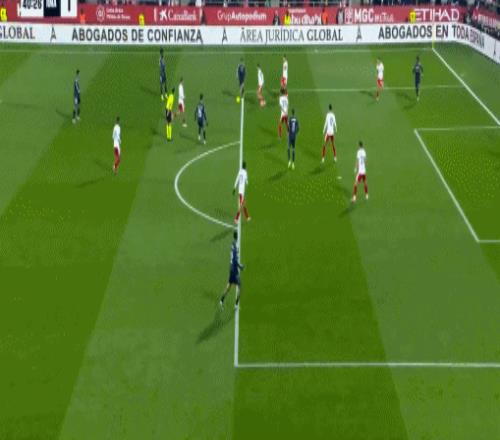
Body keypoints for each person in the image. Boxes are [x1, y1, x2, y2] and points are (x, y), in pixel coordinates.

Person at [219, 231, 244, 310]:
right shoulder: (235, 247)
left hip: (231, 269)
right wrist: (240, 267)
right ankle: (236, 304)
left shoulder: (232, 244)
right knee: (240, 286)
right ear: (237, 236)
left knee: (229, 286)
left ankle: (221, 300)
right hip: (234, 270)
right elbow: (235, 260)